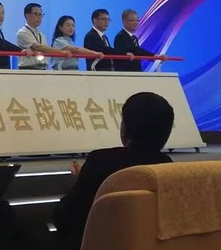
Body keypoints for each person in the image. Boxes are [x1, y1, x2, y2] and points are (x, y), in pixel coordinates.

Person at [53, 92, 175, 250]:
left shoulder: (101, 161)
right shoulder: (167, 167)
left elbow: (65, 218)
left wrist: (77, 181)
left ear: (125, 128)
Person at [16, 3, 70, 70]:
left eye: (41, 14)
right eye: (36, 14)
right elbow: (37, 47)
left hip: (43, 68)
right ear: (27, 16)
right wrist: (60, 52)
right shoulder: (22, 32)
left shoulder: (41, 34)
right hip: (28, 69)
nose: (40, 17)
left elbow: (45, 50)